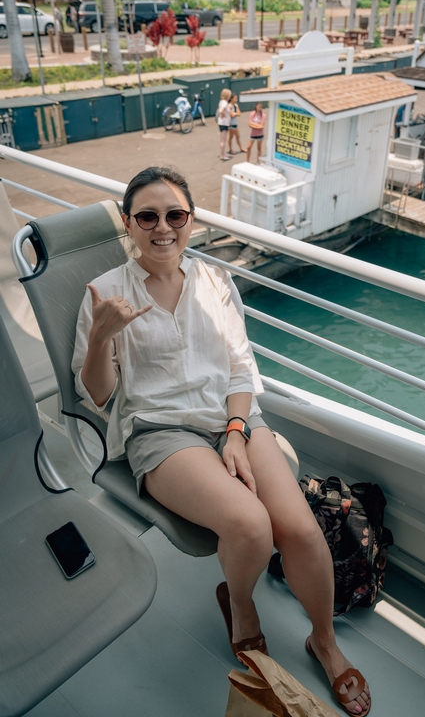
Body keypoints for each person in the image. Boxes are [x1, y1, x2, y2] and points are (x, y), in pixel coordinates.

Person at [71, 166, 371, 717]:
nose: (163, 227)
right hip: (162, 431)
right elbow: (98, 395)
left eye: (175, 215)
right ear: (128, 223)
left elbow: (239, 367)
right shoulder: (106, 294)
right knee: (250, 526)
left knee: (301, 529)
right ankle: (239, 605)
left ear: (192, 221)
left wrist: (236, 432)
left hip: (232, 418)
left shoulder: (215, 281)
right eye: (148, 216)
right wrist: (99, 338)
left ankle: (323, 641)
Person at [217, 88, 232, 161]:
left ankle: (223, 154)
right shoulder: (225, 103)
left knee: (222, 139)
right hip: (224, 123)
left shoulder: (221, 102)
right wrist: (224, 115)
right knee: (223, 140)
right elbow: (221, 110)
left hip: (222, 123)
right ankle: (222, 155)